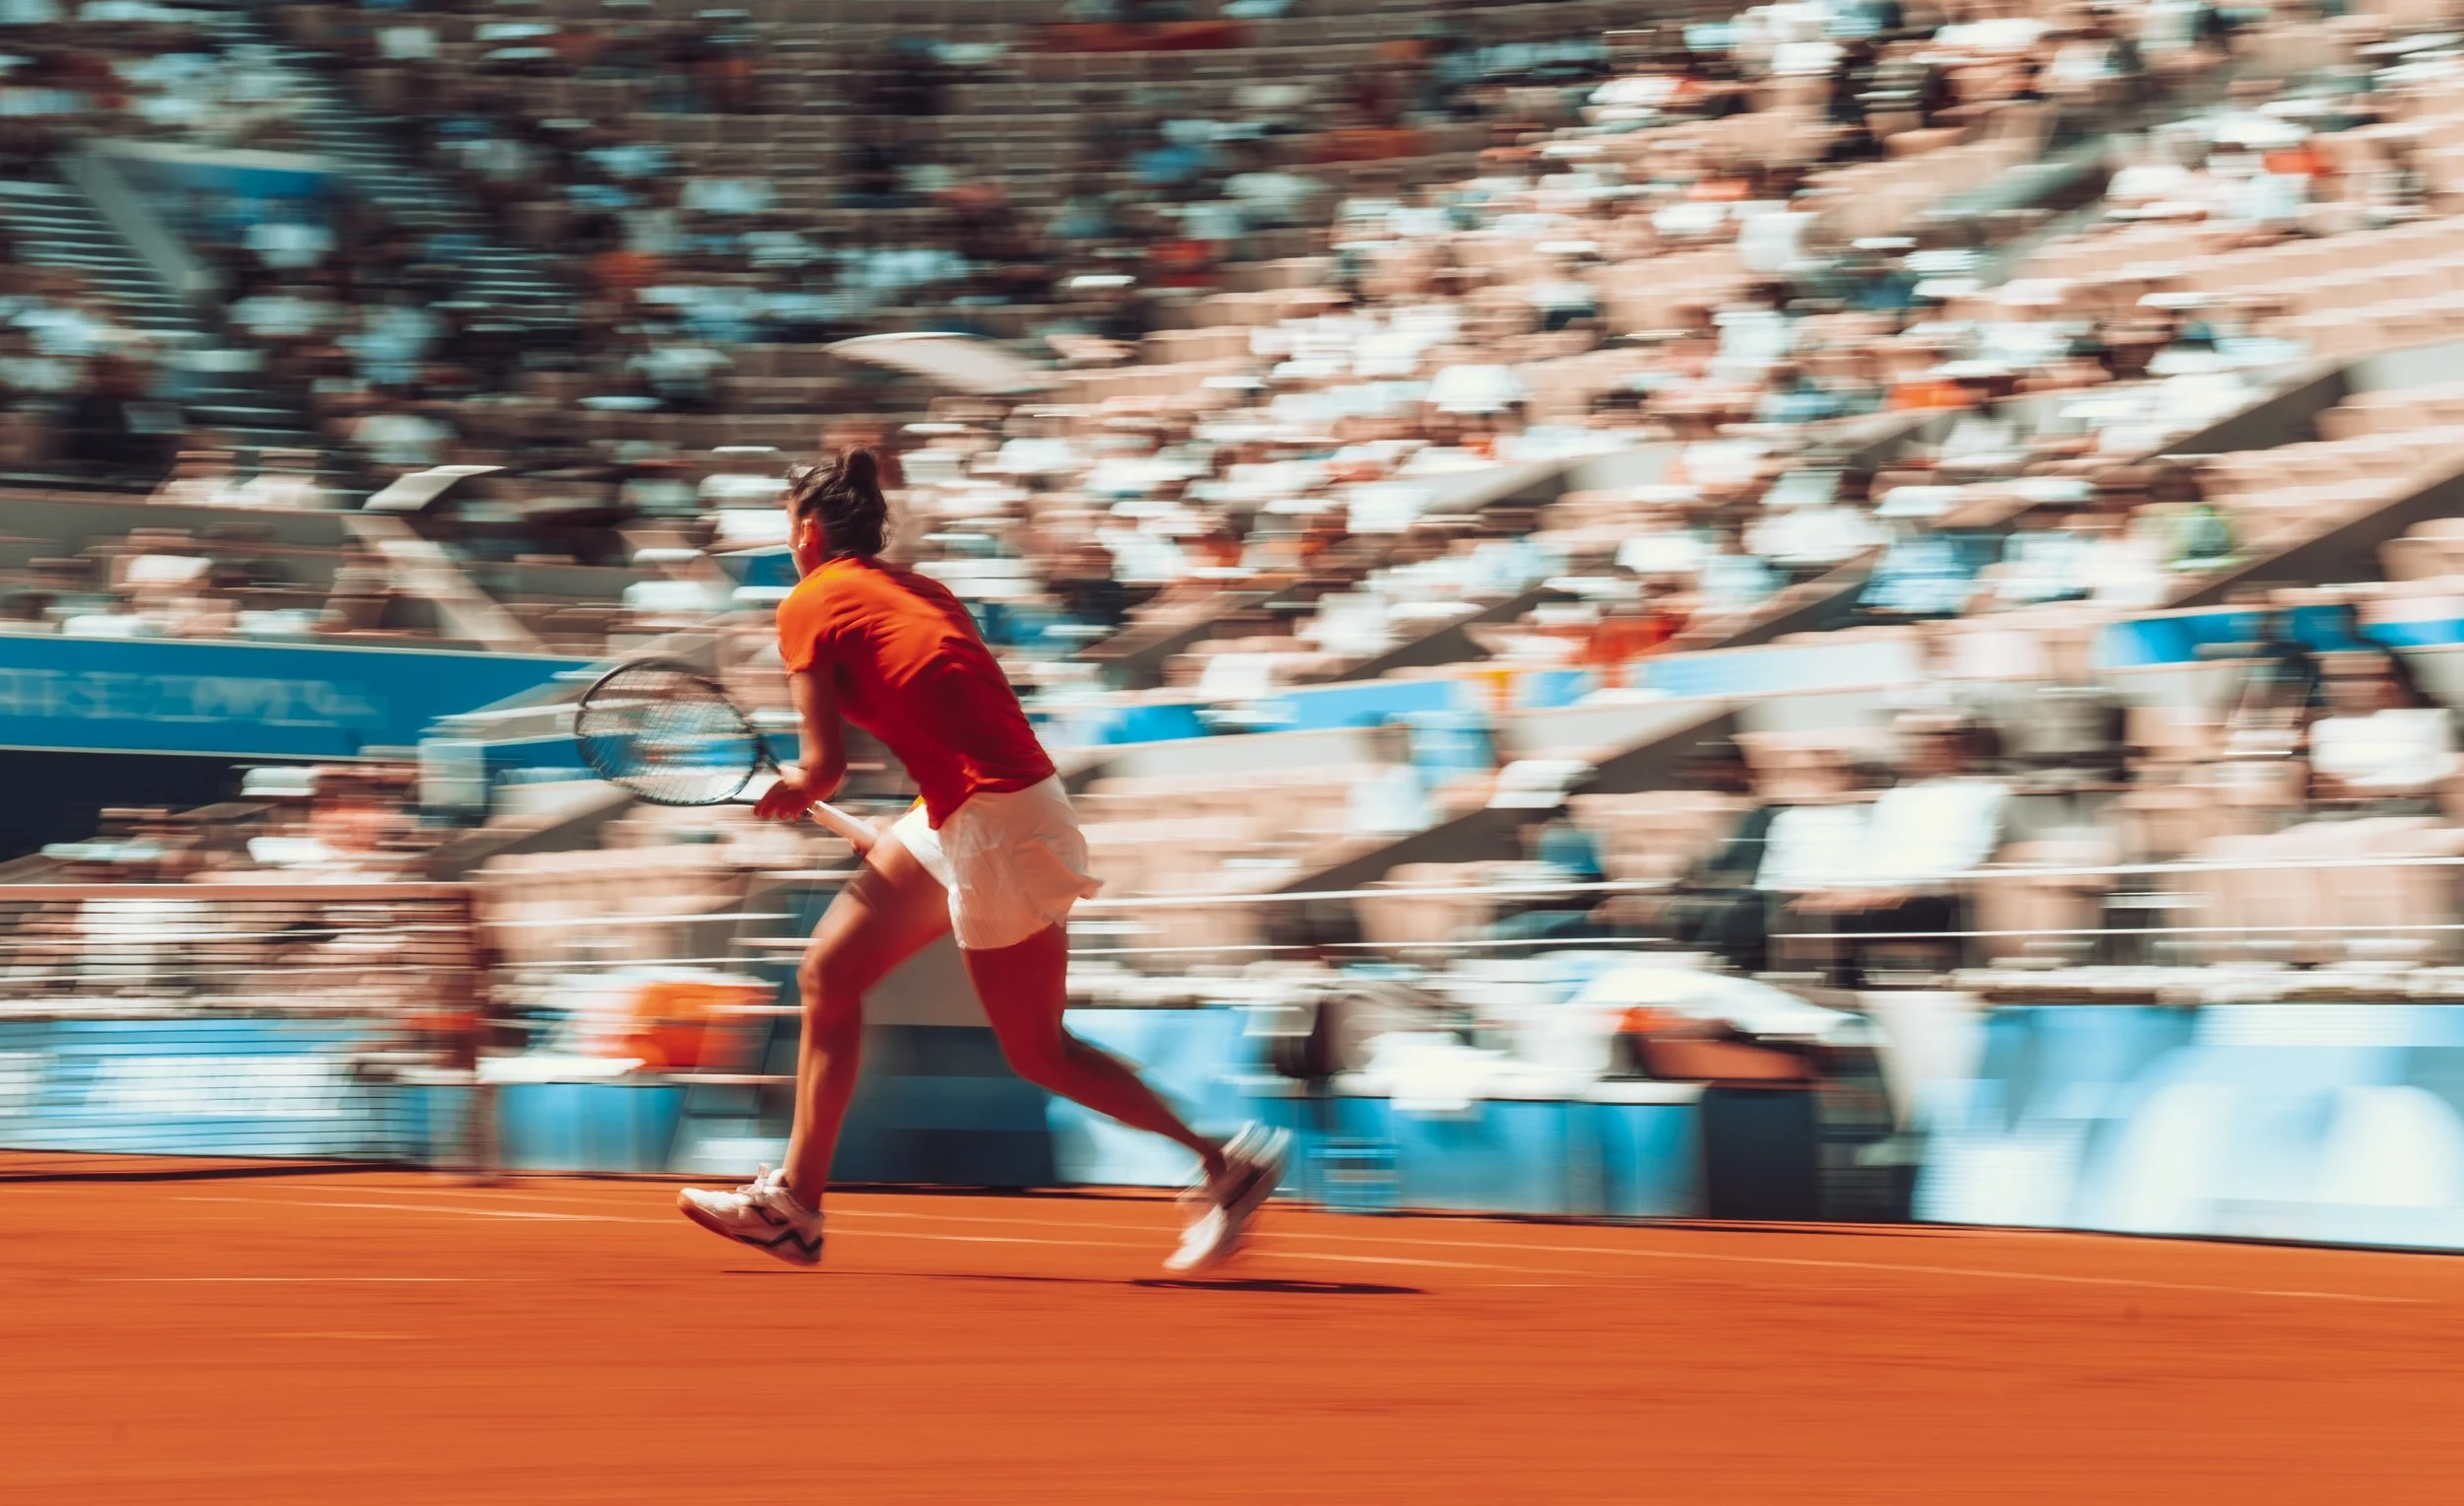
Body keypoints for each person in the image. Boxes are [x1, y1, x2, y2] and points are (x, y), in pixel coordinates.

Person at [677, 449, 1287, 1269]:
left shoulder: (809, 601)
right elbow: (947, 743)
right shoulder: (924, 590)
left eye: (789, 528)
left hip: (994, 818)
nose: (791, 544)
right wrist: (881, 830)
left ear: (809, 531)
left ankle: (1224, 1166)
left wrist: (793, 792)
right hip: (981, 806)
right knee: (830, 971)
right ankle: (793, 1207)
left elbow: (822, 769)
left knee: (1037, 1051)